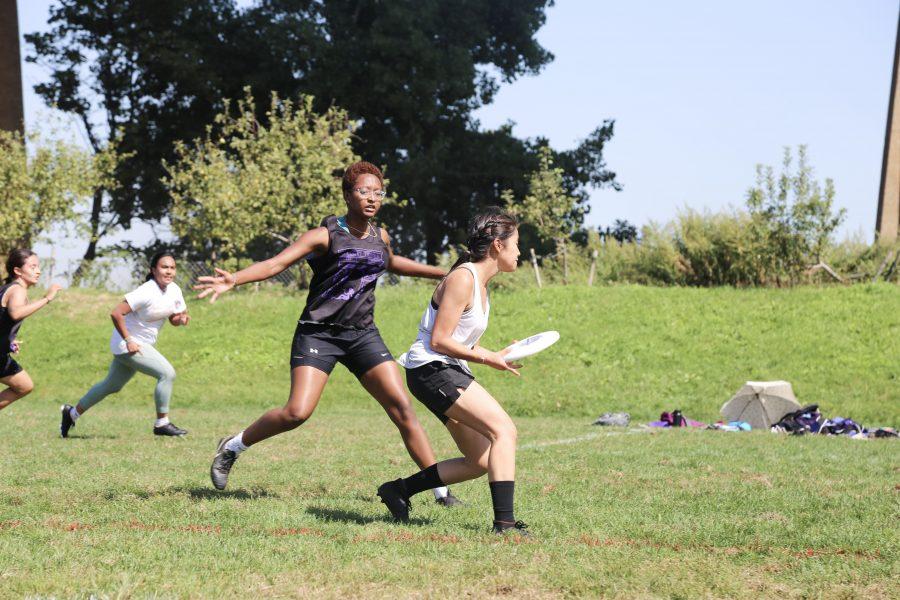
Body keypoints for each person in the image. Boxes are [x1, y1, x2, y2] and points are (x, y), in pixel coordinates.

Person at [202, 161, 460, 506]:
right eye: (363, 191)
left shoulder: (379, 236)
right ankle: (233, 446)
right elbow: (275, 264)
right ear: (347, 194)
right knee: (297, 412)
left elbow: (392, 262)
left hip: (363, 334)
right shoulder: (323, 235)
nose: (372, 198)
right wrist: (234, 278)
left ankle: (440, 492)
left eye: (378, 192)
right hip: (318, 334)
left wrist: (444, 272)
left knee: (402, 408)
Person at [376, 208, 531, 536]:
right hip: (432, 369)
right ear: (498, 246)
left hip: (441, 369)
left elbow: (459, 340)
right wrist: (490, 359)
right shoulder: (463, 277)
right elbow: (440, 340)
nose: (520, 251)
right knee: (505, 430)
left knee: (480, 460)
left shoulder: (481, 286)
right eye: (516, 243)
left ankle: (399, 490)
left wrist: (500, 354)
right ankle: (504, 523)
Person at [60, 252, 190, 437]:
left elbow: (174, 318)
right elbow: (116, 313)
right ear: (153, 270)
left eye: (172, 267)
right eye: (164, 267)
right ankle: (162, 423)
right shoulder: (146, 291)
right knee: (167, 374)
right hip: (128, 343)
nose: (169, 271)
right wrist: (129, 340)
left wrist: (181, 319)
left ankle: (71, 414)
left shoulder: (174, 290)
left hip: (140, 344)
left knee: (111, 385)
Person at [0, 249, 62, 412]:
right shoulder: (17, 290)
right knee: (23, 386)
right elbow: (16, 313)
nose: (38, 271)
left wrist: (8, 341)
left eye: (38, 266)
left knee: (24, 385)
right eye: (33, 266)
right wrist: (47, 298)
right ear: (18, 271)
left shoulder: (10, 288)